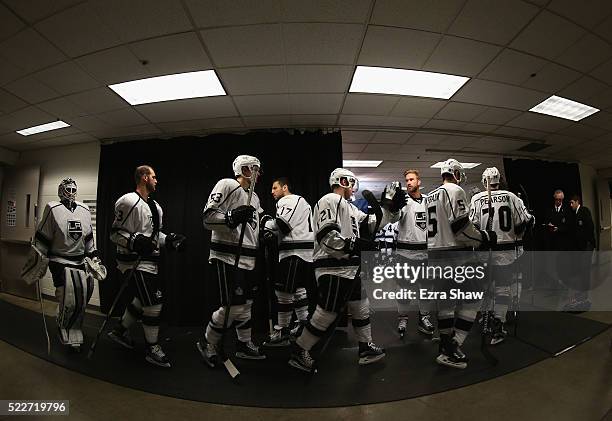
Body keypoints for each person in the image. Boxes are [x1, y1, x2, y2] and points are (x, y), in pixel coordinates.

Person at [288, 168, 404, 373]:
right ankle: (300, 349)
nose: (353, 187)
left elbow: (372, 224)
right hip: (332, 266)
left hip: (351, 267)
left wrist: (389, 209)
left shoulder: (350, 207)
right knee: (327, 312)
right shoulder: (329, 200)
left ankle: (365, 347)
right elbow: (327, 236)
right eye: (350, 182)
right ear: (341, 181)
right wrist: (353, 245)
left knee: (361, 306)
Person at [108, 165, 186, 368]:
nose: (156, 180)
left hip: (150, 261)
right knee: (154, 304)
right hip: (132, 262)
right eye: (153, 177)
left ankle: (119, 331)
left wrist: (169, 239)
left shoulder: (156, 207)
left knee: (141, 301)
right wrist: (134, 241)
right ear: (143, 178)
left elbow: (154, 236)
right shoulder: (127, 201)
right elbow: (115, 233)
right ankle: (152, 348)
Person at [197, 155, 266, 367]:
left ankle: (243, 343)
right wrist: (232, 217)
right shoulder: (227, 184)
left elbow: (257, 223)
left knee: (246, 305)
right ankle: (208, 341)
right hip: (227, 256)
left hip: (248, 258)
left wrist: (268, 227)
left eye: (258, 169)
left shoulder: (254, 197)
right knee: (232, 307)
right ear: (242, 169)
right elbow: (208, 218)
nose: (256, 173)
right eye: (252, 169)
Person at [427, 159, 496, 369]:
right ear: (456, 173)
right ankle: (454, 343)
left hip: (435, 255)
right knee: (473, 298)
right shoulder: (455, 190)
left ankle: (446, 347)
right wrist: (483, 237)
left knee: (446, 305)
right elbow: (460, 227)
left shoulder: (430, 195)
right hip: (456, 256)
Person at [32, 178, 101, 352]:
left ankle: (72, 324)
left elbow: (88, 238)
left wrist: (93, 256)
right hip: (59, 260)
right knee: (67, 295)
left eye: (73, 189)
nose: (70, 192)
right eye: (67, 188)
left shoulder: (84, 209)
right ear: (60, 190)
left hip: (79, 260)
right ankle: (64, 326)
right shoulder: (53, 208)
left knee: (83, 294)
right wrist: (39, 263)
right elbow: (43, 238)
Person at [470, 167, 534, 345]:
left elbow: (472, 226)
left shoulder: (476, 198)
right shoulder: (512, 197)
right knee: (503, 288)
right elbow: (524, 222)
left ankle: (485, 316)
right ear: (499, 180)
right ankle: (499, 323)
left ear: (485, 182)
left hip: (485, 251)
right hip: (506, 252)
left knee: (486, 287)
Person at [262, 177, 313, 346]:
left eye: (275, 187)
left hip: (294, 252)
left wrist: (266, 224)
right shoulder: (300, 202)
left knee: (283, 292)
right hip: (301, 252)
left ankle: (282, 330)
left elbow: (283, 224)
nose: (272, 191)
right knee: (298, 289)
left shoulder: (289, 199)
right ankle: (303, 324)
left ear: (285, 187)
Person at [395, 170, 435, 338]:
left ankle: (424, 318)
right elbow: (393, 218)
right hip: (405, 253)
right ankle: (403, 318)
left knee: (425, 290)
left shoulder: (428, 201)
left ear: (419, 181)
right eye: (406, 180)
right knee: (404, 290)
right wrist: (393, 205)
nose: (408, 182)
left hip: (425, 253)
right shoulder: (403, 202)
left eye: (411, 179)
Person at [564, 194, 596, 311]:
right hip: (580, 248)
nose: (571, 205)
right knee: (581, 271)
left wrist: (587, 243)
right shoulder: (574, 214)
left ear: (577, 202)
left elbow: (590, 227)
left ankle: (585, 295)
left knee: (585, 271)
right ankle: (581, 294)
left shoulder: (584, 211)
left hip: (586, 246)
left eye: (572, 202)